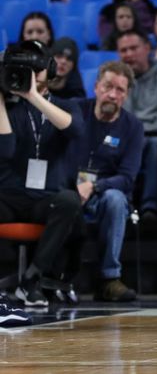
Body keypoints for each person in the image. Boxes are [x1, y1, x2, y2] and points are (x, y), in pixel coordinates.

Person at [0, 40, 85, 308]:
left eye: (36, 64)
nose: (31, 70)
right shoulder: (7, 107)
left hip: (44, 199)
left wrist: (33, 95)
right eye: (22, 64)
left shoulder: (66, 105)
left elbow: (74, 130)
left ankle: (32, 278)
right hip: (8, 197)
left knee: (70, 200)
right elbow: (6, 149)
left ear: (50, 68)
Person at [72, 62, 143, 302]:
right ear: (96, 87)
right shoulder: (76, 110)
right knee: (59, 198)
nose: (113, 94)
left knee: (116, 199)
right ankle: (52, 277)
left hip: (103, 195)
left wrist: (94, 186)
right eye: (108, 86)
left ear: (127, 95)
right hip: (69, 188)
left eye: (120, 90)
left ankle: (109, 279)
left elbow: (127, 177)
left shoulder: (133, 126)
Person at [116, 30, 157, 221]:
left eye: (133, 48)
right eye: (123, 50)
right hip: (132, 138)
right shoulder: (119, 80)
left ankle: (151, 206)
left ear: (147, 48)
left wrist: (141, 130)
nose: (128, 54)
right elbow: (123, 118)